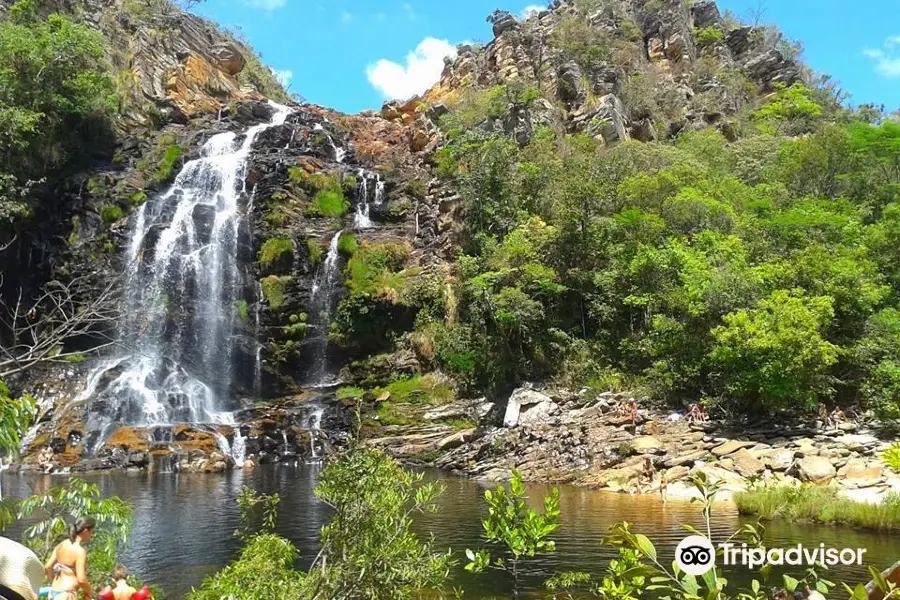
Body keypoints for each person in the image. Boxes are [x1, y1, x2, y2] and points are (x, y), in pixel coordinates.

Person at [43, 518, 94, 600]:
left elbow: (48, 567)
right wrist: (89, 592)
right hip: (66, 594)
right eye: (91, 531)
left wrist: (52, 580)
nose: (92, 535)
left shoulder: (61, 544)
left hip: (53, 591)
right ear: (85, 530)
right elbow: (81, 579)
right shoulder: (80, 551)